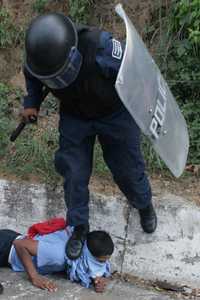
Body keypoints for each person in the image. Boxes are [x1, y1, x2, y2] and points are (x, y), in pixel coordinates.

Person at [21, 13, 157, 260]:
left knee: (127, 169)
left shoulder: (101, 46)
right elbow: (32, 74)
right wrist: (31, 102)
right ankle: (79, 227)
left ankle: (144, 203)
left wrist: (145, 104)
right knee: (73, 172)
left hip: (114, 112)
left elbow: (136, 71)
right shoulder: (40, 55)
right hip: (75, 115)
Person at [0, 228, 114, 293]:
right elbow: (20, 244)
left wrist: (98, 280)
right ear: (88, 254)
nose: (103, 266)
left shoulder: (80, 252)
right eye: (99, 262)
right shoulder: (59, 253)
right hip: (5, 246)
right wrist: (34, 277)